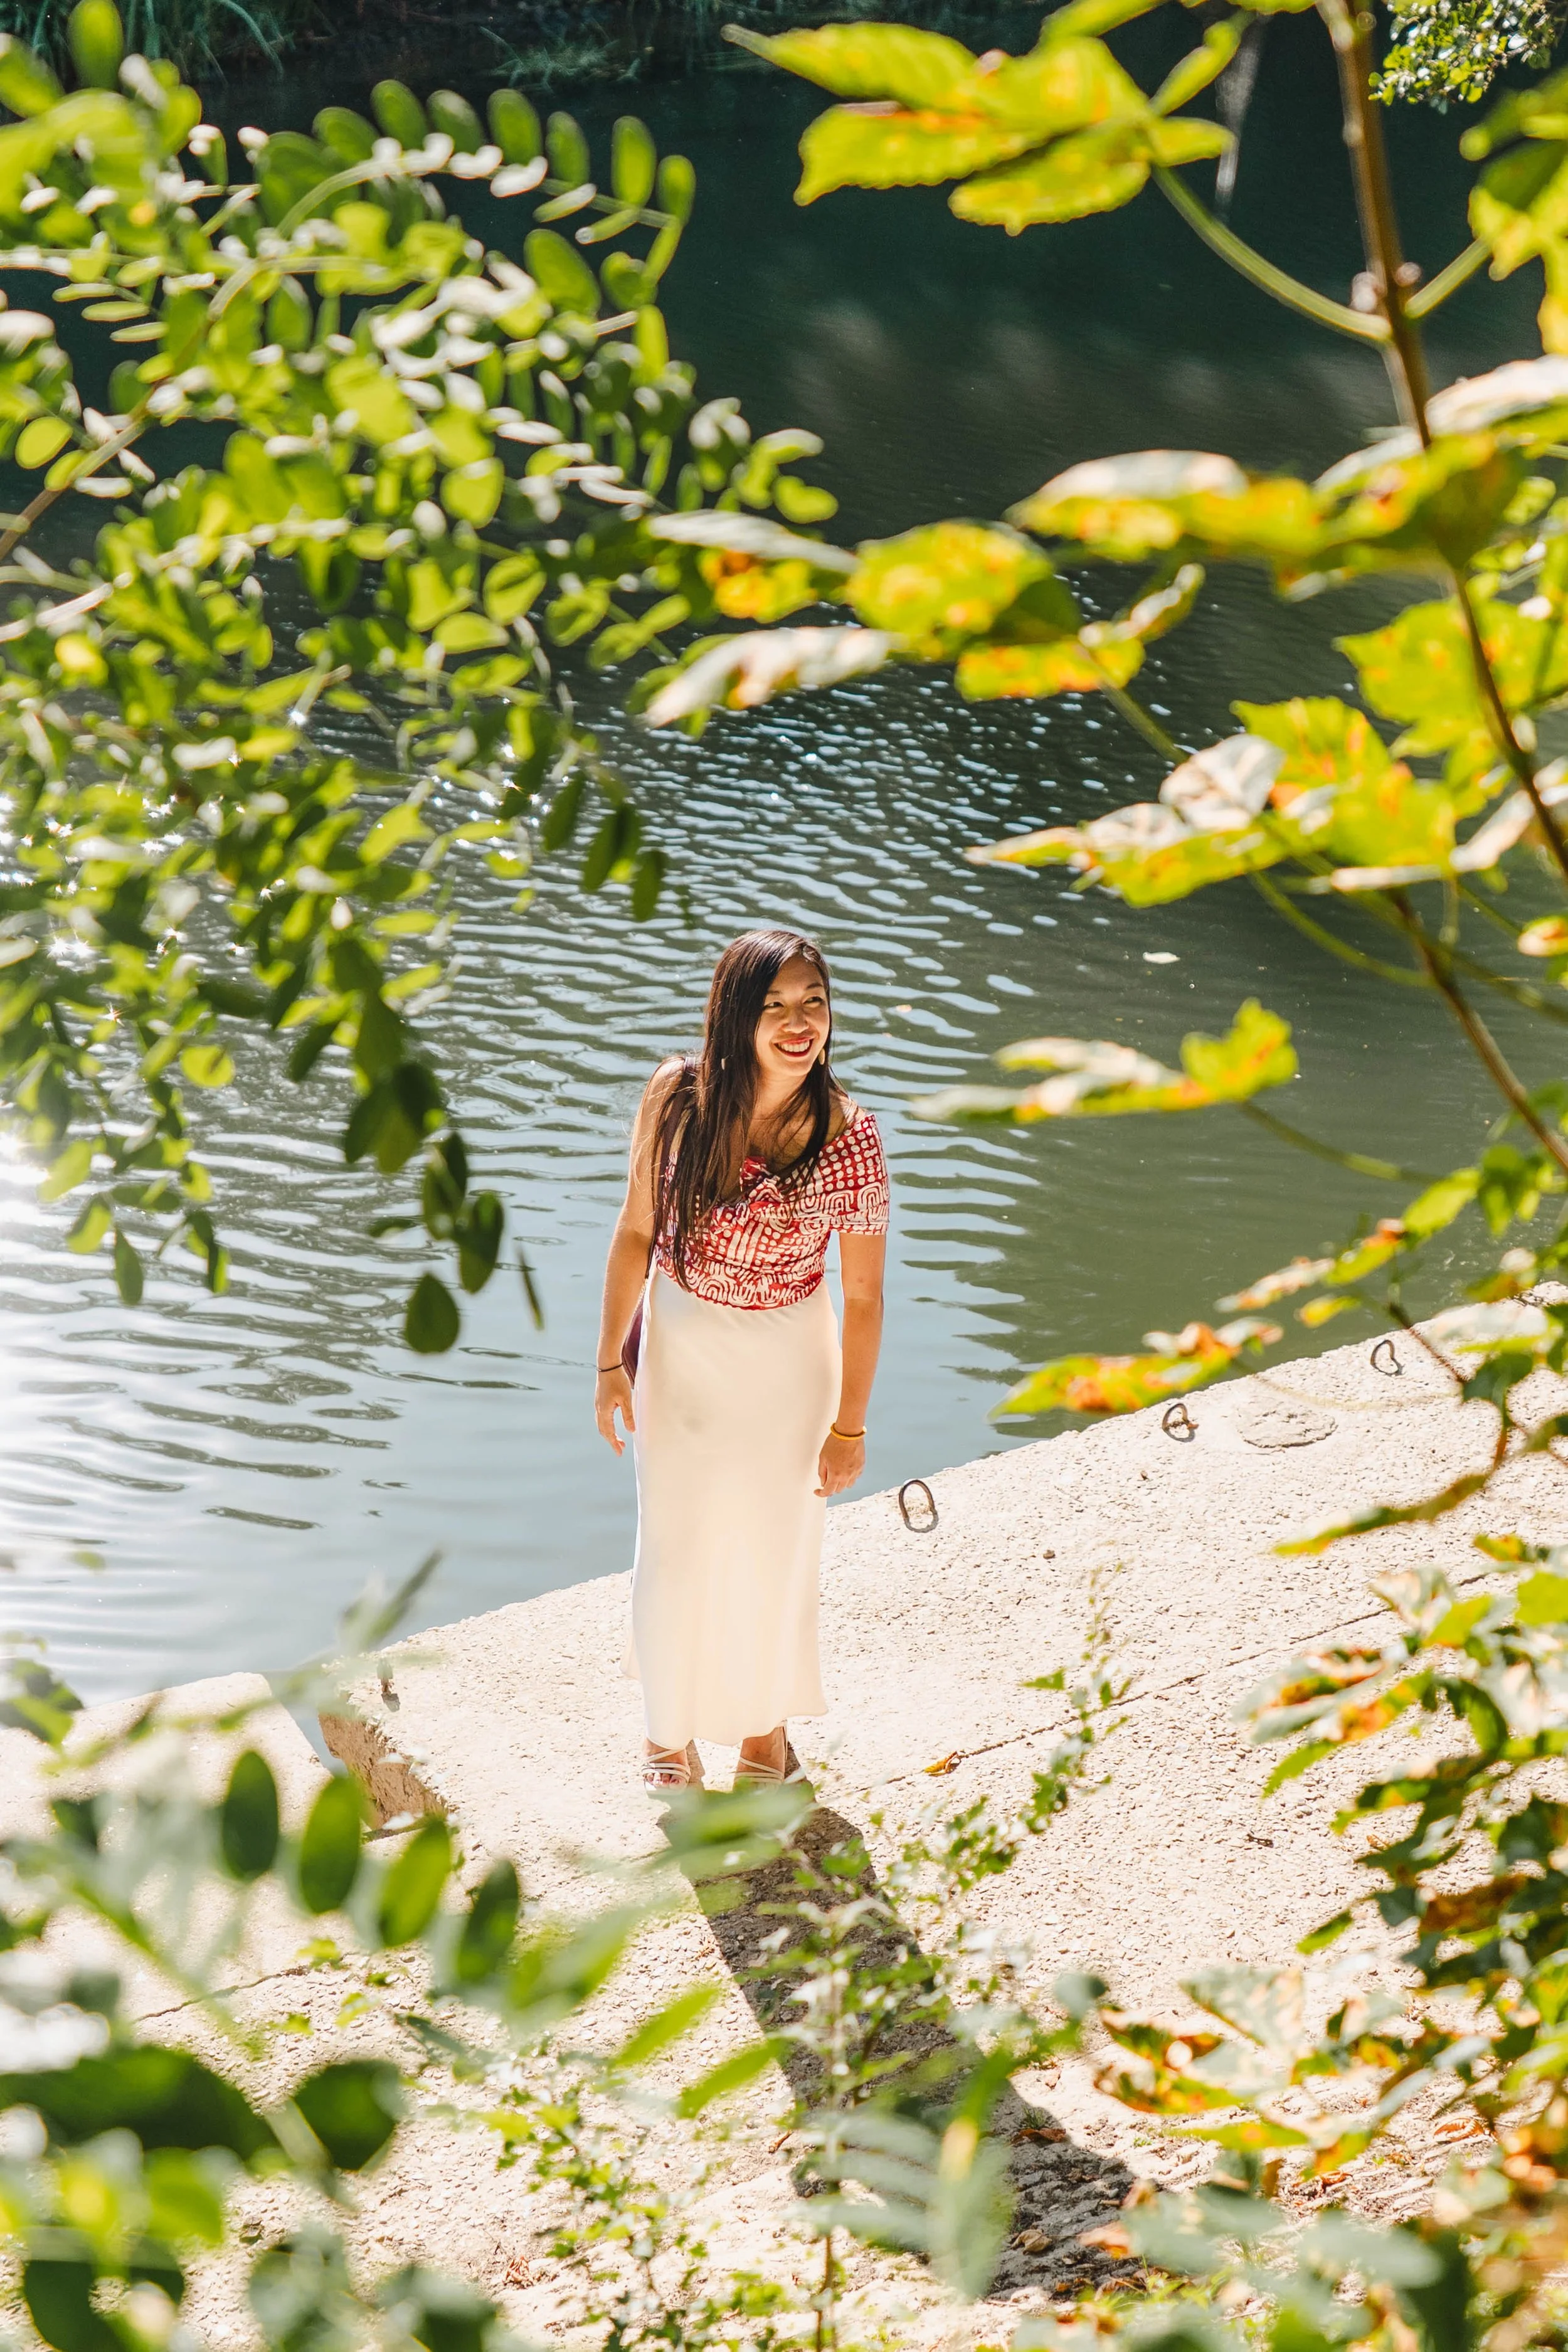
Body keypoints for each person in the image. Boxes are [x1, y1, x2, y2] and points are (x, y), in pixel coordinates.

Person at [594, 928, 889, 1798]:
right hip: (680, 1347)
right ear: (735, 1016)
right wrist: (610, 1362)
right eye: (775, 1007)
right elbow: (636, 1234)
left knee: (775, 1546)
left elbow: (865, 1298)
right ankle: (667, 1733)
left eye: (814, 1004)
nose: (800, 1024)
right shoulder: (675, 1098)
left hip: (788, 1360)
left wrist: (851, 1424)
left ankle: (766, 1733)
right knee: (676, 1543)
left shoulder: (852, 1138)